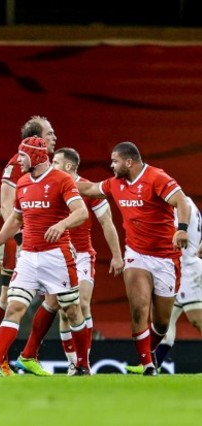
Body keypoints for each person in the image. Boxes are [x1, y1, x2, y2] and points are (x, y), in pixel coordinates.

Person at [0, 136, 92, 376]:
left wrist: (62, 224)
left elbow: (81, 212)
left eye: (22, 156)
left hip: (57, 256)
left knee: (72, 311)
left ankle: (83, 365)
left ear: (35, 156)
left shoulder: (62, 180)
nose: (18, 161)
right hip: (28, 256)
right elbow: (15, 220)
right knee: (14, 306)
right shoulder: (23, 182)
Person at [77, 141, 190, 376]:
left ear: (129, 162)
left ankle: (147, 355)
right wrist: (57, 179)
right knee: (139, 308)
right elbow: (89, 189)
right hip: (136, 254)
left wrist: (181, 228)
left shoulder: (156, 178)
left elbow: (180, 200)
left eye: (115, 161)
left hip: (166, 258)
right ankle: (147, 365)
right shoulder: (114, 184)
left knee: (161, 323)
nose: (111, 165)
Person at [16, 147, 123, 375]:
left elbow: (106, 222)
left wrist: (116, 255)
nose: (50, 165)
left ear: (68, 166)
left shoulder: (87, 189)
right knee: (59, 308)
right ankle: (73, 363)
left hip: (82, 255)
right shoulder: (44, 184)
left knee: (80, 305)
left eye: (55, 162)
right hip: (55, 255)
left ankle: (84, 361)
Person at [0, 115, 58, 375]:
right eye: (50, 133)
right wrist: (19, 238)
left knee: (55, 299)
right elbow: (9, 206)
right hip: (19, 241)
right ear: (38, 139)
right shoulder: (16, 164)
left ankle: (27, 353)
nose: (55, 138)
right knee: (7, 298)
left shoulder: (48, 167)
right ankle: (1, 358)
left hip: (41, 243)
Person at [126, 196, 202, 374]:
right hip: (176, 269)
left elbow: (170, 232)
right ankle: (151, 365)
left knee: (197, 320)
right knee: (164, 322)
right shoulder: (187, 203)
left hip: (189, 270)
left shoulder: (178, 206)